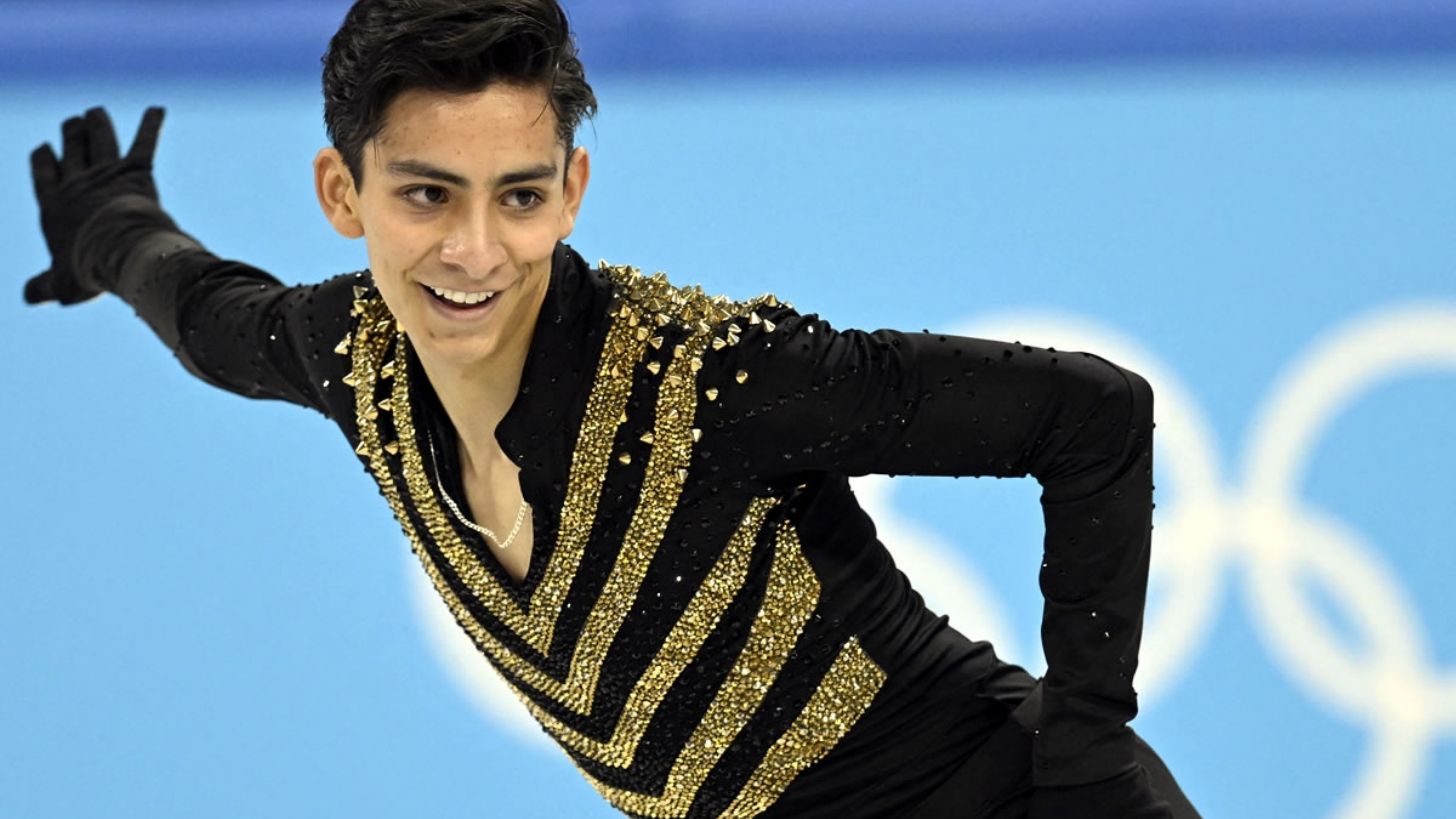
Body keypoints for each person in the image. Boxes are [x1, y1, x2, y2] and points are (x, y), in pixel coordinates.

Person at [21, 1, 1202, 816]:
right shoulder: (356, 357)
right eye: (427, 196)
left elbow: (1091, 415)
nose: (474, 251)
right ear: (344, 193)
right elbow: (212, 319)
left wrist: (1088, 753)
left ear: (571, 190)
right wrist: (111, 229)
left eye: (517, 196)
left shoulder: (708, 379)